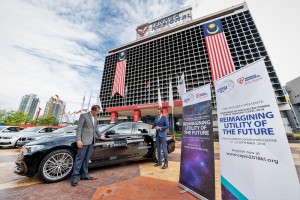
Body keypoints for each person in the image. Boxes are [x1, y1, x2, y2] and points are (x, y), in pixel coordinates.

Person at [71, 105, 105, 187]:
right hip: (84, 141)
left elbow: (95, 128)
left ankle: (84, 175)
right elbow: (79, 128)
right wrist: (78, 140)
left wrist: (100, 135)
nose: (98, 113)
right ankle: (74, 177)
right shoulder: (84, 115)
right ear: (93, 110)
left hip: (91, 141)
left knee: (86, 159)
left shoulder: (95, 117)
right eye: (97, 111)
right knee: (79, 159)